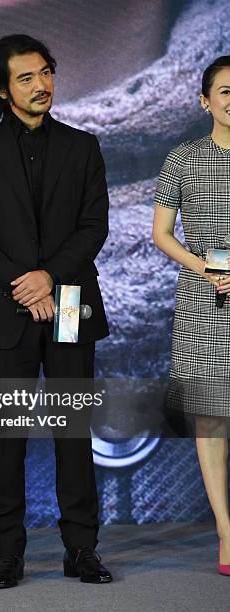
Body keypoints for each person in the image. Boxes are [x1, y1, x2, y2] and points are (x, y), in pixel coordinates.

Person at [0, 34, 112, 588]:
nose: (41, 84)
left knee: (73, 431)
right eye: (26, 77)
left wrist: (49, 277)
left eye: (46, 72)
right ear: (2, 89)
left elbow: (94, 227)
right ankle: (9, 553)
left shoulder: (83, 145)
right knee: (9, 435)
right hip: (8, 304)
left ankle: (81, 549)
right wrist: (26, 285)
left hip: (69, 300)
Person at [153, 56, 230, 576]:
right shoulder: (181, 159)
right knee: (212, 418)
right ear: (206, 100)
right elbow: (161, 234)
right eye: (225, 90)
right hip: (205, 296)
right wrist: (205, 267)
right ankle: (227, 533)